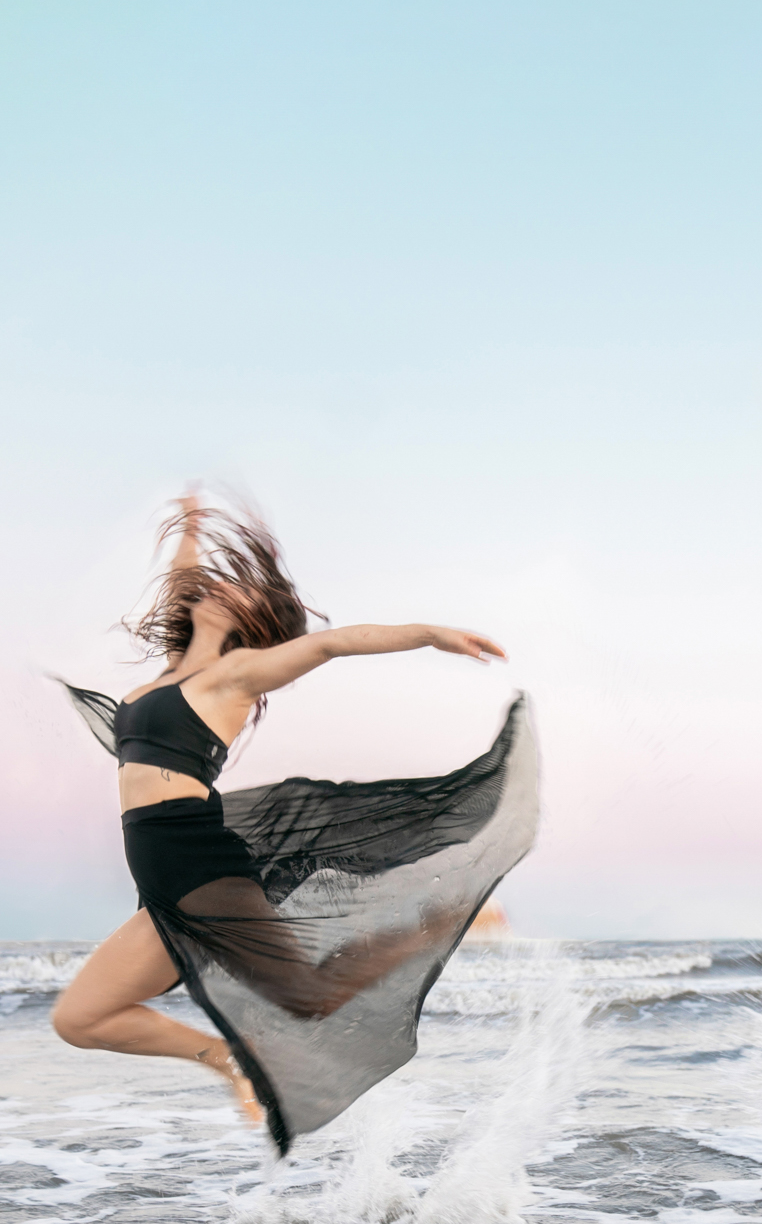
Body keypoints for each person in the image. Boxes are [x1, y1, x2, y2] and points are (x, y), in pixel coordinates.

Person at [52, 494, 540, 1153]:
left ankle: (446, 914)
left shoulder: (237, 675)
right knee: (80, 1018)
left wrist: (427, 633)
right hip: (159, 872)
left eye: (238, 589)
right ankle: (226, 1058)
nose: (221, 586)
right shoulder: (171, 673)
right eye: (217, 583)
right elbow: (182, 587)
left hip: (195, 859)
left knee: (307, 997)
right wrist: (190, 532)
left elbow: (334, 643)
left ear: (252, 622)